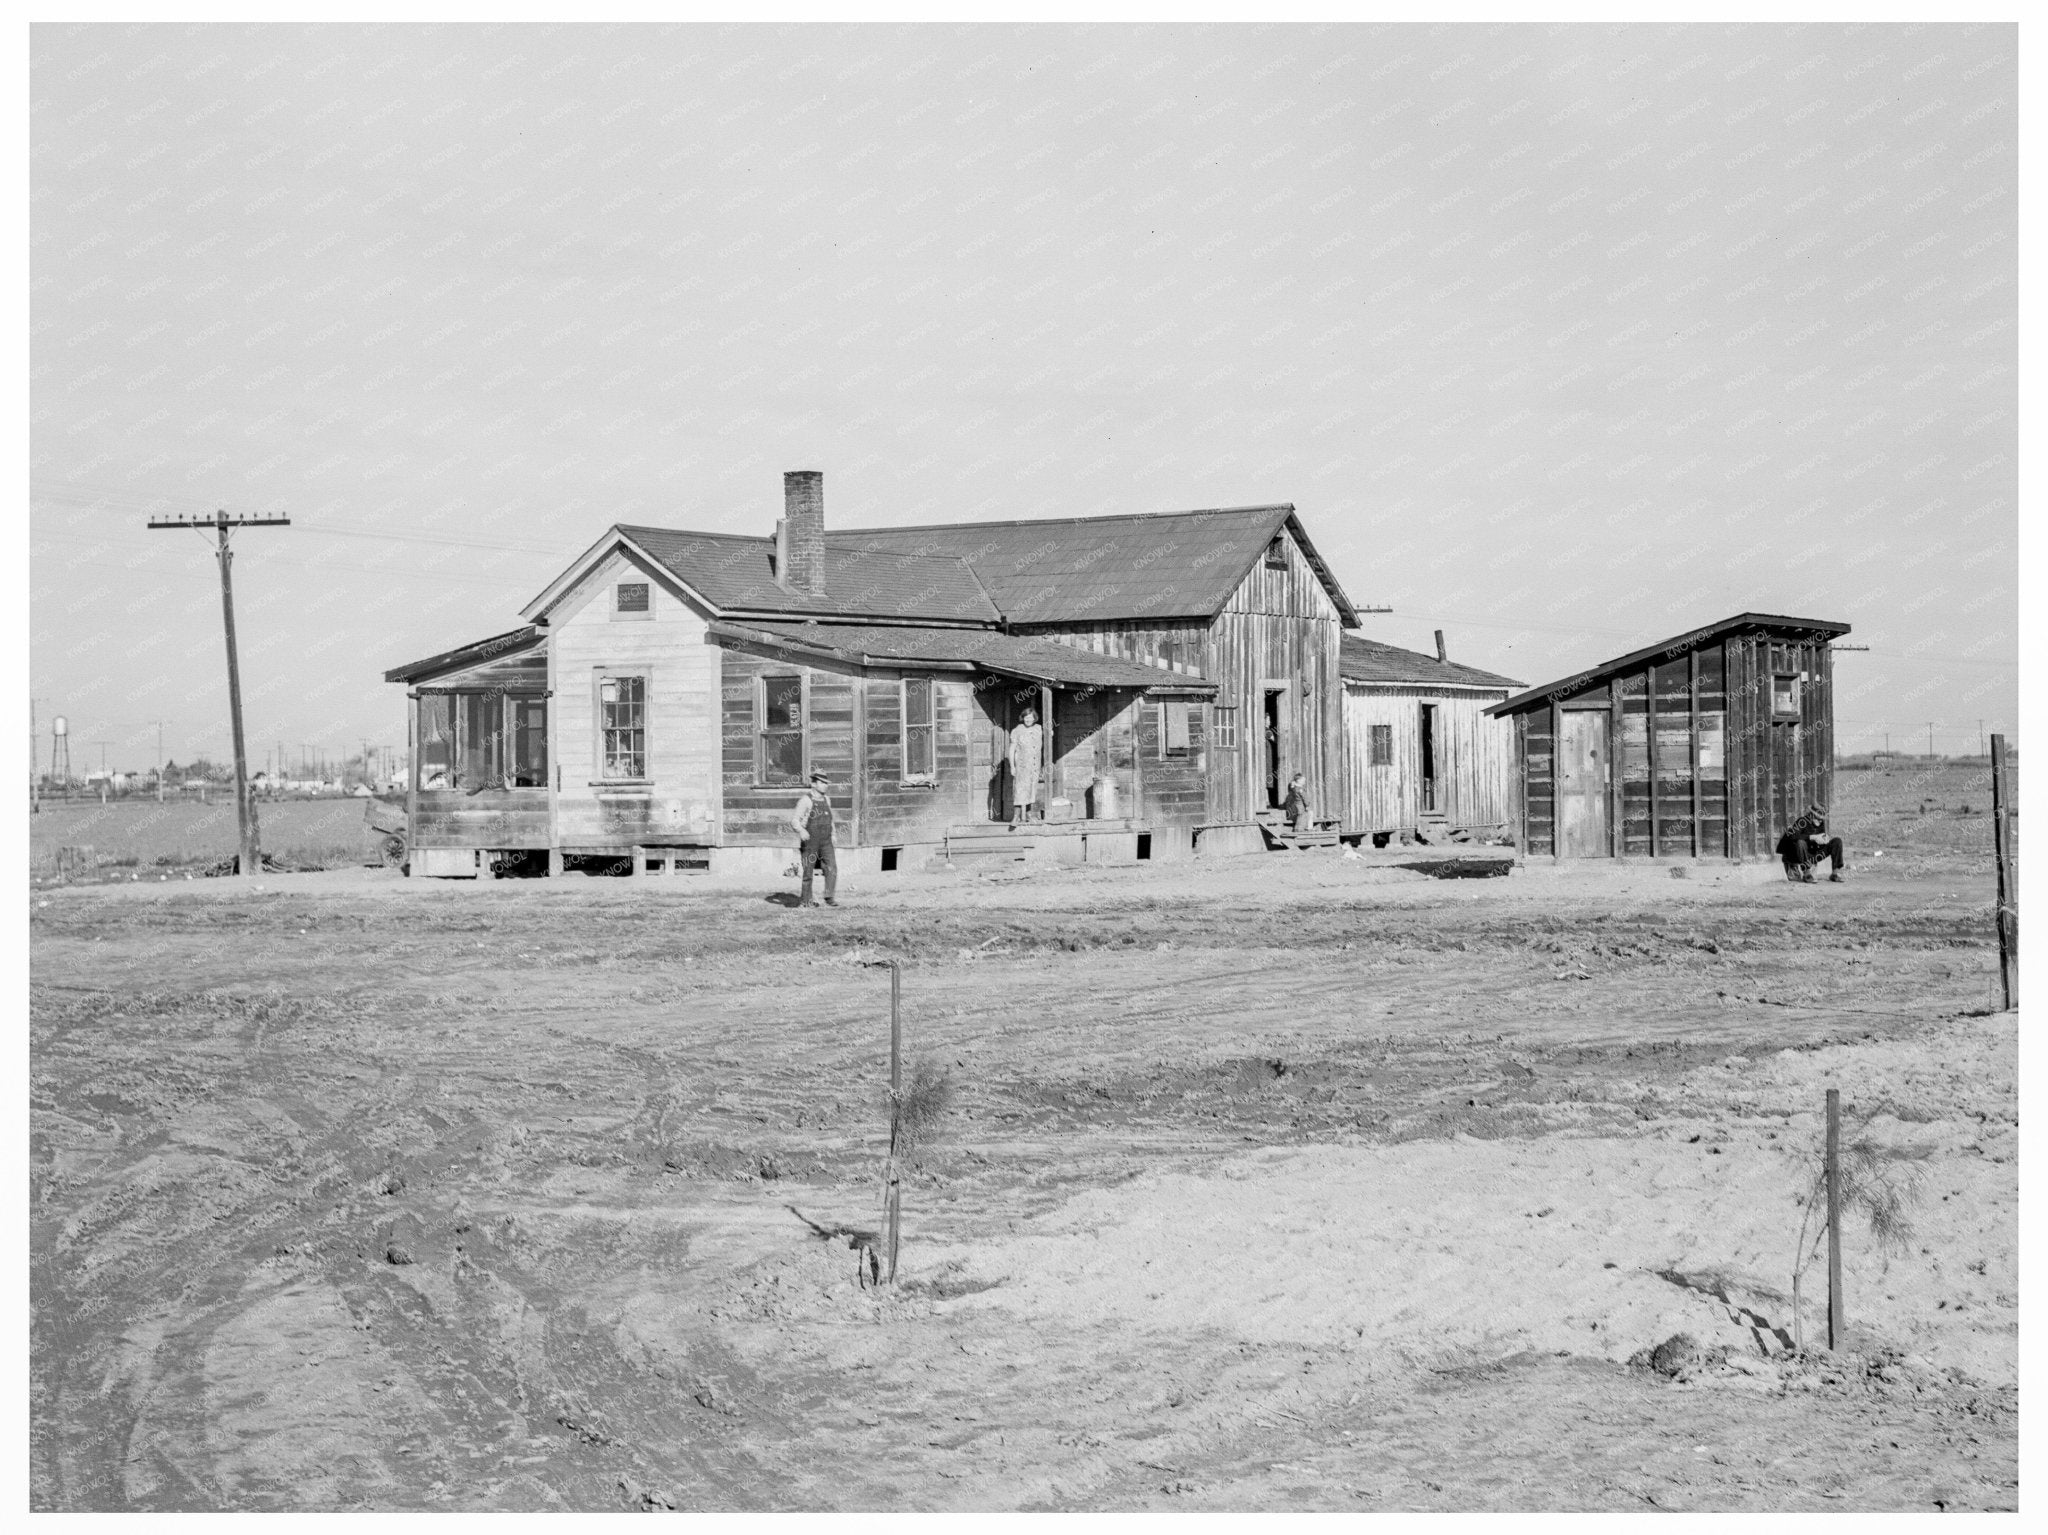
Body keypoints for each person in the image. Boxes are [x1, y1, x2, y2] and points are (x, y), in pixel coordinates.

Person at [789, 770, 838, 907]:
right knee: (808, 871)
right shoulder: (806, 800)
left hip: (826, 841)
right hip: (810, 840)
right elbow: (794, 821)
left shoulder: (827, 799)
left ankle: (829, 897)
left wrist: (833, 834)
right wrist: (801, 830)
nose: (825, 786)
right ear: (814, 784)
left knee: (831, 867)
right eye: (822, 783)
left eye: (826, 783)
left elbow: (831, 820)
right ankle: (806, 901)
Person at [1777, 803, 1845, 883]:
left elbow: (1818, 842)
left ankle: (1835, 873)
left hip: (1811, 854)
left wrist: (1823, 840)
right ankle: (1807, 873)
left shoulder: (1820, 824)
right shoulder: (1802, 822)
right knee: (1801, 842)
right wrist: (1813, 837)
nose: (1820, 821)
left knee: (1837, 841)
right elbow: (1792, 836)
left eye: (1821, 819)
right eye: (1818, 818)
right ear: (1811, 815)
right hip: (1797, 855)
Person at [1009, 706, 1043, 823]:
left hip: (1034, 766)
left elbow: (1049, 734)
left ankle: (1029, 815)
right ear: (1023, 718)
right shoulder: (1017, 730)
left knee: (1032, 789)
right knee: (1020, 789)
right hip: (1022, 766)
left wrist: (1051, 733)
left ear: (1034, 718)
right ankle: (1016, 816)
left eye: (1030, 717)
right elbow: (1012, 750)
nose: (1028, 720)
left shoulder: (1039, 729)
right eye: (1026, 717)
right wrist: (1012, 766)